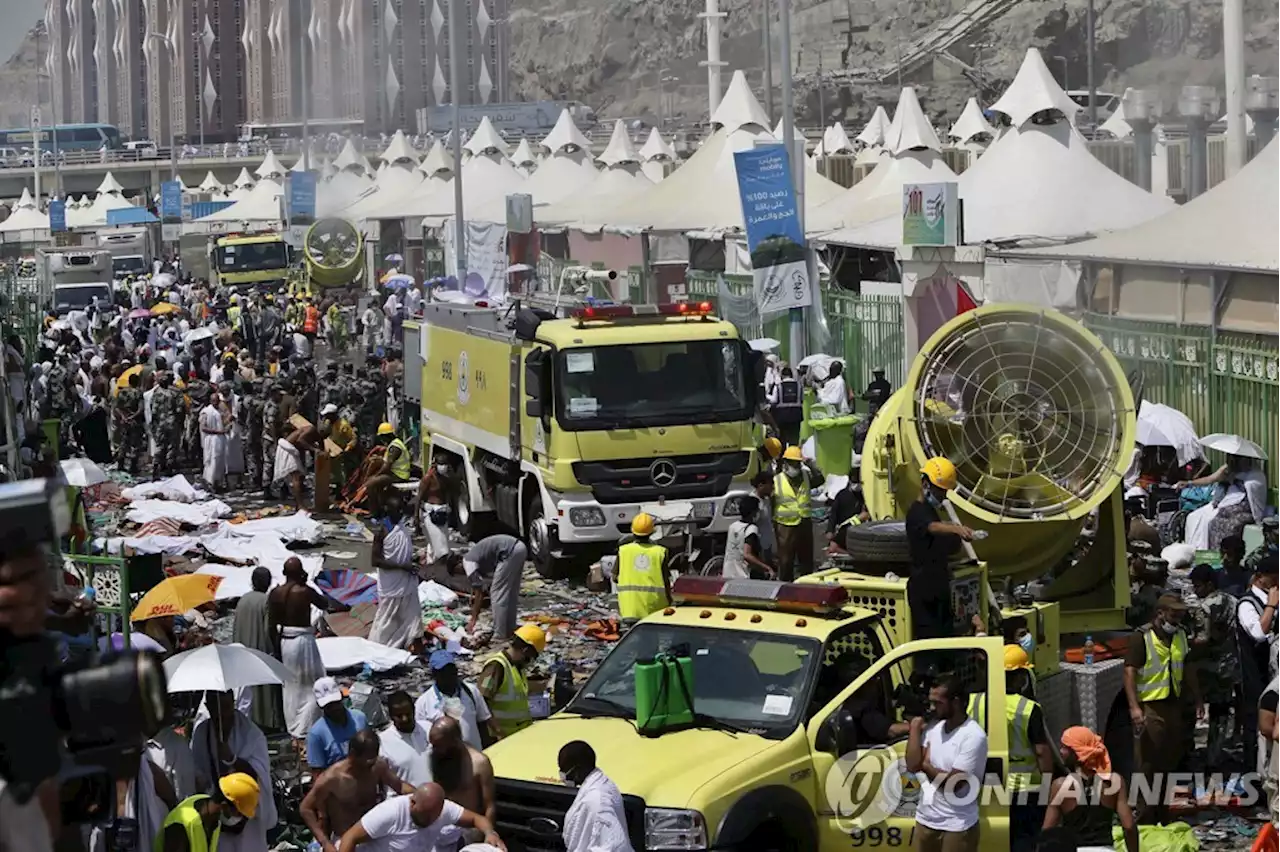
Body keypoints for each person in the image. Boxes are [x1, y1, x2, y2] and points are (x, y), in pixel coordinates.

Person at [1123, 592, 1202, 824]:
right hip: (1150, 706)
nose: (1177, 619)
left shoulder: (1180, 635)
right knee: (1147, 763)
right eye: (1173, 614)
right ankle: (1144, 817)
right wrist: (1134, 708)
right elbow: (1129, 672)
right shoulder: (1142, 637)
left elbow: (1187, 667)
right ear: (1160, 613)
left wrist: (1197, 699)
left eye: (1180, 615)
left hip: (1173, 705)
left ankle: (1162, 813)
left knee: (1169, 760)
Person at [905, 676, 987, 852]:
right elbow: (912, 765)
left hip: (957, 826)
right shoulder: (934, 727)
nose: (933, 708)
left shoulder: (973, 736)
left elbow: (954, 785)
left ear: (956, 703)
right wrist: (914, 727)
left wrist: (926, 765)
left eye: (938, 702)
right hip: (926, 821)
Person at [190, 691, 278, 852]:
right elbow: (196, 768)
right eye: (215, 708)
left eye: (225, 707)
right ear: (208, 707)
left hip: (247, 815)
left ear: (232, 702)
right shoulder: (202, 732)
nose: (221, 713)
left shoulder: (252, 734)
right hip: (218, 813)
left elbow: (259, 775)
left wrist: (232, 759)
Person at [301, 729, 413, 852]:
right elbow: (306, 808)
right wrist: (325, 844)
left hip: (373, 836)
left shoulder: (377, 766)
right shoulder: (332, 778)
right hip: (344, 840)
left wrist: (422, 796)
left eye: (373, 760)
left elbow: (400, 786)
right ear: (352, 754)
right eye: (366, 762)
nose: (369, 766)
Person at [905, 458, 975, 639]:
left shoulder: (930, 511)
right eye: (939, 490)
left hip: (939, 589)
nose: (943, 496)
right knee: (929, 644)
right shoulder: (917, 511)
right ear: (925, 483)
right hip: (923, 592)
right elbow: (932, 527)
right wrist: (956, 528)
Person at [1042, 727, 1139, 852]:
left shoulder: (1060, 785)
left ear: (1077, 752)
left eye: (1065, 747)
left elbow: (1047, 831)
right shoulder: (1113, 782)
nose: (1061, 751)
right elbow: (1129, 826)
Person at [336, 782, 504, 852]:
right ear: (413, 803)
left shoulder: (443, 809)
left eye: (434, 816)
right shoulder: (390, 812)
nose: (430, 820)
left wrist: (490, 833)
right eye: (425, 815)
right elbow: (349, 838)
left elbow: (477, 819)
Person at [1000, 646, 1055, 852]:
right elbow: (1041, 751)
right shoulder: (1028, 708)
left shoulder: (977, 702)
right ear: (1019, 677)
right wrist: (1049, 787)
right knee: (1024, 841)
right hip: (1026, 789)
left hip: (990, 786)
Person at [268, 557, 331, 738]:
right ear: (301, 572)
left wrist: (276, 649)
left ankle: (293, 724)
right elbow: (324, 603)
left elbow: (271, 626)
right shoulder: (305, 591)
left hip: (285, 641)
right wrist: (305, 583)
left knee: (291, 685)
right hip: (304, 641)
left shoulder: (275, 593)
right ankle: (308, 723)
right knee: (311, 682)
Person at [1188, 563, 1238, 768]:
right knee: (1221, 713)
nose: (1194, 590)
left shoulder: (1206, 606)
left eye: (1197, 586)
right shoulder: (1232, 600)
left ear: (1209, 584)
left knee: (1195, 708)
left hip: (1209, 667)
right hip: (1229, 664)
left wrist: (1185, 640)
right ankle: (1216, 753)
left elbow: (1203, 638)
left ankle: (1198, 755)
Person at [1237, 556, 1280, 772]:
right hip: (1254, 677)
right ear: (1262, 578)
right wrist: (1272, 605)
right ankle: (1254, 780)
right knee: (1255, 731)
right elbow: (1258, 634)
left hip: (1274, 677)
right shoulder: (1247, 603)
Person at [427, 718, 497, 849]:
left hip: (470, 830)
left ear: (454, 741)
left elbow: (489, 805)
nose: (433, 749)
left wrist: (487, 837)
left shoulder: (479, 763)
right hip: (443, 829)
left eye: (438, 745)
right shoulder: (438, 758)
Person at [445, 533, 529, 639]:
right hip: (519, 548)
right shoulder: (474, 557)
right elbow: (481, 585)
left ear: (458, 564)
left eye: (457, 572)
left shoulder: (468, 562)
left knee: (497, 594)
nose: (461, 575)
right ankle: (510, 628)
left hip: (509, 552)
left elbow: (480, 593)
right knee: (510, 593)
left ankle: (499, 635)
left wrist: (473, 618)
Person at [231, 567, 284, 732]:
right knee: (265, 693)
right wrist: (277, 646)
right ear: (267, 583)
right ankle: (268, 725)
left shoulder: (242, 600)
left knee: (247, 691)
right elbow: (270, 628)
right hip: (261, 651)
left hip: (242, 651)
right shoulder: (266, 601)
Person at [558, 740, 634, 852]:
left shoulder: (597, 802)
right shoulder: (602, 783)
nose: (562, 776)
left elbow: (614, 845)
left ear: (578, 770)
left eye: (564, 770)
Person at [1179, 453, 1267, 549]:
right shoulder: (1227, 469)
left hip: (1243, 506)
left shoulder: (1255, 474)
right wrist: (1189, 483)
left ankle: (1219, 553)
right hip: (1224, 502)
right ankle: (1196, 550)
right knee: (1193, 517)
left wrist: (1240, 482)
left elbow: (1255, 495)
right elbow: (1210, 479)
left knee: (1218, 523)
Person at [368, 496, 423, 650]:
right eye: (397, 510)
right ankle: (378, 647)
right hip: (391, 584)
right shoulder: (381, 532)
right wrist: (402, 566)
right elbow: (376, 561)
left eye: (401, 510)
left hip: (407, 582)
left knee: (413, 617)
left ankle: (414, 645)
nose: (400, 513)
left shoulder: (402, 527)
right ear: (388, 511)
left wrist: (412, 561)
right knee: (387, 619)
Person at [154, 772, 259, 852]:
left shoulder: (213, 817)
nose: (240, 820)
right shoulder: (181, 825)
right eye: (239, 814)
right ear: (224, 806)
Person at [414, 649, 497, 750]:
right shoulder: (423, 703)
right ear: (434, 675)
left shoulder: (471, 691)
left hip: (475, 757)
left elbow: (483, 723)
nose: (449, 675)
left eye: (451, 670)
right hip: (447, 762)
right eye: (443, 672)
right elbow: (421, 738)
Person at [478, 624, 546, 739]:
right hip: (500, 738)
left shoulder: (517, 667)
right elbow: (482, 700)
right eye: (532, 656)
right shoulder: (496, 666)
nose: (531, 661)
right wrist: (497, 731)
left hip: (517, 735)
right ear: (525, 650)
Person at [773, 446, 823, 580]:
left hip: (804, 523)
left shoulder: (806, 476)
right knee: (785, 560)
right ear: (785, 463)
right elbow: (771, 503)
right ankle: (785, 585)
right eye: (792, 463)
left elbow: (820, 479)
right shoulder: (777, 480)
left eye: (797, 463)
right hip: (785, 526)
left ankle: (806, 585)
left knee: (806, 559)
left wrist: (811, 464)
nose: (795, 466)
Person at [307, 677, 370, 775]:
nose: (334, 708)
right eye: (328, 706)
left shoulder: (360, 718)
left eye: (336, 703)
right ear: (320, 706)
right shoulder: (316, 734)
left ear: (341, 696)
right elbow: (317, 773)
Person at [614, 513, 671, 622]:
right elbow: (665, 580)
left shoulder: (624, 551)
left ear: (633, 531)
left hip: (629, 608)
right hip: (655, 608)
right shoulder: (660, 552)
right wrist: (670, 601)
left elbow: (614, 577)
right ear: (652, 532)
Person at [379, 692, 432, 788]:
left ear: (414, 710)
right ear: (391, 716)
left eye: (408, 714)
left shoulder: (429, 729)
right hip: (404, 800)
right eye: (399, 716)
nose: (404, 719)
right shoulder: (382, 742)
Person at [364, 423, 411, 515]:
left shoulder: (395, 447)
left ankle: (374, 513)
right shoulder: (395, 444)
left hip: (398, 476)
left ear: (386, 436)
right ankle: (381, 506)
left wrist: (376, 476)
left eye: (382, 437)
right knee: (376, 484)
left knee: (370, 484)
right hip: (394, 474)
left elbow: (387, 466)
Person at [722, 495, 773, 579]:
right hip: (742, 575)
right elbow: (747, 555)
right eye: (758, 510)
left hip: (728, 573)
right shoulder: (751, 529)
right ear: (754, 512)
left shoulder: (733, 526)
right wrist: (767, 568)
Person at [274, 420, 321, 510]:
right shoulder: (310, 429)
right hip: (288, 449)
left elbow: (319, 445)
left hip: (293, 451)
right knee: (296, 478)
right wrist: (314, 449)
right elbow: (300, 440)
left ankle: (298, 504)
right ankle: (300, 505)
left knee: (299, 477)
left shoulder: (317, 436)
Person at [199, 392, 229, 491]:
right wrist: (217, 432)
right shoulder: (206, 412)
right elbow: (203, 427)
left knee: (220, 462)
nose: (216, 403)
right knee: (212, 461)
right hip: (212, 440)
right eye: (214, 401)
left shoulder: (220, 410)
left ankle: (218, 483)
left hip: (220, 440)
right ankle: (210, 483)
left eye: (217, 401)